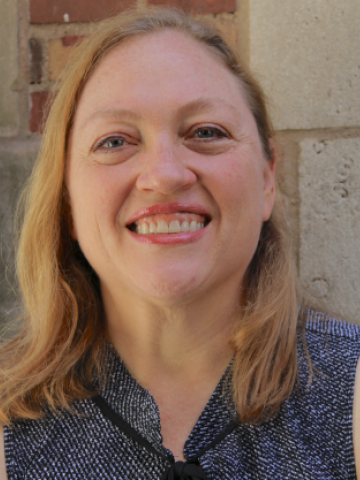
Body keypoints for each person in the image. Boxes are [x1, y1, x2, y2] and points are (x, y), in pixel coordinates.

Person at [0, 7, 359, 479]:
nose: (165, 175)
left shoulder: (349, 395)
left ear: (268, 177)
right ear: (66, 199)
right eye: (114, 141)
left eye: (206, 132)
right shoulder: (9, 427)